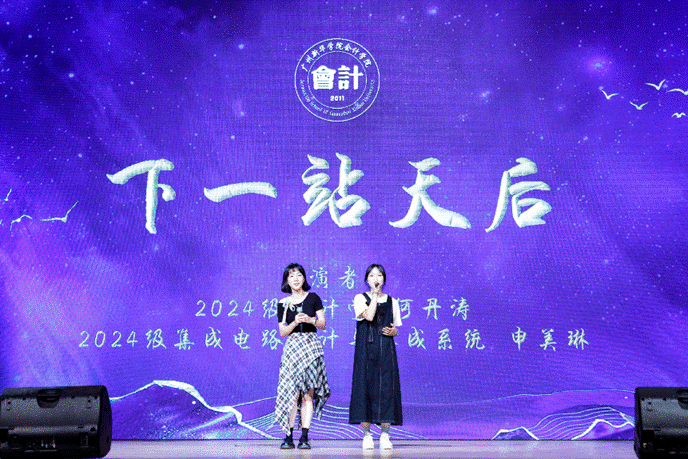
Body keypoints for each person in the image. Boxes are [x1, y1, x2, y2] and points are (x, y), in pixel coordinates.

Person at [274, 263, 330, 449]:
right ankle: (288, 437)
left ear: (304, 278)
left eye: (299, 275)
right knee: (292, 392)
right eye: (291, 276)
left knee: (307, 394)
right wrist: (294, 323)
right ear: (287, 281)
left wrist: (310, 320)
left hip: (311, 348)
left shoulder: (313, 298)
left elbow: (323, 324)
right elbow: (283, 332)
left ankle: (304, 437)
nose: (296, 279)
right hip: (293, 349)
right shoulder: (283, 303)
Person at [349, 263, 403, 450]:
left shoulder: (393, 301)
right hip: (365, 350)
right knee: (364, 388)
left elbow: (396, 327)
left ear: (384, 279)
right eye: (372, 276)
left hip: (385, 350)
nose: (376, 278)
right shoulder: (360, 298)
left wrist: (394, 331)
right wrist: (374, 295)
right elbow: (370, 316)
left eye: (379, 275)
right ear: (367, 280)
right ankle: (366, 435)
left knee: (386, 390)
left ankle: (385, 434)